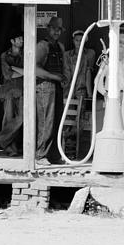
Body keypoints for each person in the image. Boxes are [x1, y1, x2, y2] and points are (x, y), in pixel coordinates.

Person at [35, 17, 69, 163]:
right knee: (46, 121)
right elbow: (35, 69)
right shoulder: (42, 45)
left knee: (57, 121)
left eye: (59, 29)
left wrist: (63, 78)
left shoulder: (60, 46)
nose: (56, 31)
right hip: (45, 87)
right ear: (48, 29)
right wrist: (54, 77)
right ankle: (41, 155)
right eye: (54, 28)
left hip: (57, 87)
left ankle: (54, 155)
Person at [95, 31, 124, 133]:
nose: (123, 49)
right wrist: (105, 93)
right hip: (112, 96)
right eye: (121, 46)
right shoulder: (107, 61)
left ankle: (122, 147)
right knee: (111, 124)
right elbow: (97, 80)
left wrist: (122, 63)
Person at [0, 33, 24, 156]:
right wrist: (23, 72)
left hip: (22, 89)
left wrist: (15, 69)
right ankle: (11, 149)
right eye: (19, 39)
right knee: (8, 119)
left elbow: (30, 70)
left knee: (21, 118)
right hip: (9, 90)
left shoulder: (26, 53)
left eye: (22, 38)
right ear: (12, 41)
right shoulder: (4, 55)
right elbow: (8, 75)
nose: (22, 40)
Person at [65, 29, 94, 100]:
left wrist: (90, 93)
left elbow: (88, 73)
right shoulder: (67, 55)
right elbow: (66, 73)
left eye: (81, 40)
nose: (79, 43)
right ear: (73, 41)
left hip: (82, 90)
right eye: (76, 40)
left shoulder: (90, 54)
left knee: (80, 110)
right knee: (69, 110)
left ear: (85, 41)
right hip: (68, 89)